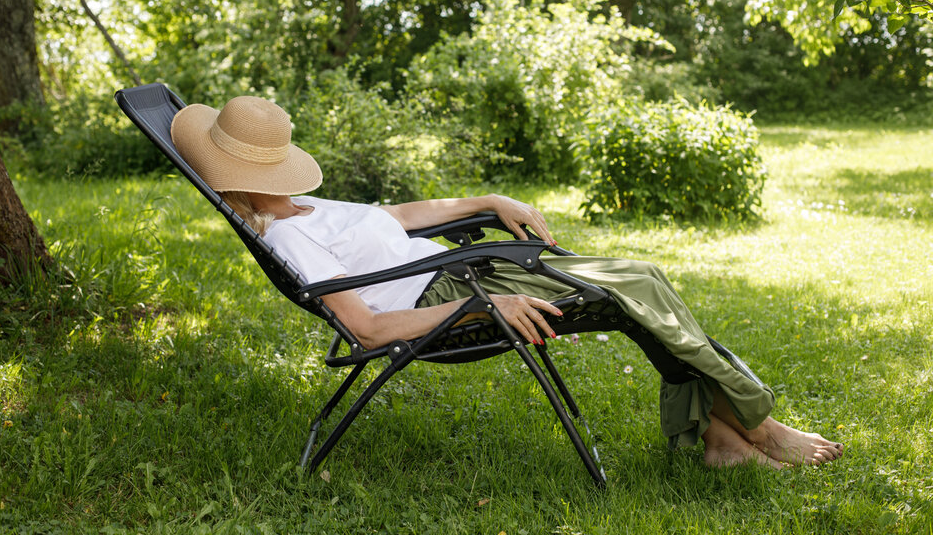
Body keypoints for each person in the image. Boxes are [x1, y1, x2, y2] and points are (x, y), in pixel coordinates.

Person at [171, 95, 844, 469]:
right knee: (630, 293)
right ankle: (749, 424)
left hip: (460, 270)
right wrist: (479, 303)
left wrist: (487, 201)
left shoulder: (302, 207)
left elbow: (397, 219)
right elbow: (367, 326)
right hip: (447, 296)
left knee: (641, 278)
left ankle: (726, 433)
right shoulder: (288, 234)